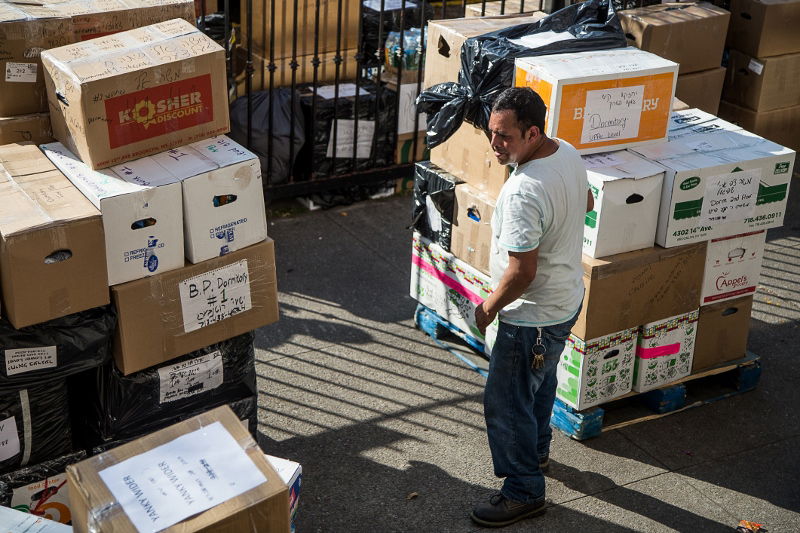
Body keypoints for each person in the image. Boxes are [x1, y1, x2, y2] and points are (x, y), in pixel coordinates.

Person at [471, 87, 593, 528]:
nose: (494, 144)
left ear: (532, 132)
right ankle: (537, 453)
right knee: (538, 387)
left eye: (504, 136)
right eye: (492, 133)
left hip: (531, 316)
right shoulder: (567, 152)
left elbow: (521, 272)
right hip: (564, 303)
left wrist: (487, 308)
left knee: (506, 402)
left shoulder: (523, 190)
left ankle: (523, 490)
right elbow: (589, 202)